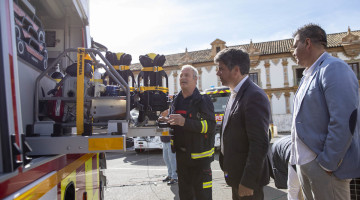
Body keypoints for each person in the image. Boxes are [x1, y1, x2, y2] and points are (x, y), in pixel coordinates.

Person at [290, 23, 360, 200]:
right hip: (307, 166)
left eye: (294, 46)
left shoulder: (333, 68)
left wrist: (327, 163)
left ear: (307, 43)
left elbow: (344, 120)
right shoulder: (308, 75)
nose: (292, 52)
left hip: (326, 169)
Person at [215, 48, 271, 200]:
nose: (217, 73)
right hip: (236, 175)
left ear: (236, 70)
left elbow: (259, 144)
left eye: (221, 69)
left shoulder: (254, 96)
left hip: (247, 182)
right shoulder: (235, 93)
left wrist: (248, 181)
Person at [159, 65, 216, 200]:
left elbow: (210, 126)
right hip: (181, 157)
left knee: (202, 196)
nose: (182, 78)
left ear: (195, 79)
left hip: (200, 160)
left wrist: (185, 122)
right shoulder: (176, 100)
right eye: (181, 75)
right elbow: (177, 124)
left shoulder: (203, 99)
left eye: (186, 75)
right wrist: (167, 120)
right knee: (185, 195)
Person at [270, 135, 301, 200]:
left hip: (293, 148)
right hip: (288, 152)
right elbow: (292, 191)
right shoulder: (294, 159)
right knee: (294, 189)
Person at [160, 110, 178, 185]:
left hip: (170, 141)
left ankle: (175, 177)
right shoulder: (160, 117)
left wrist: (164, 119)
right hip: (164, 141)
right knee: (166, 159)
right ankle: (170, 175)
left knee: (172, 160)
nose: (161, 112)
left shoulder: (170, 116)